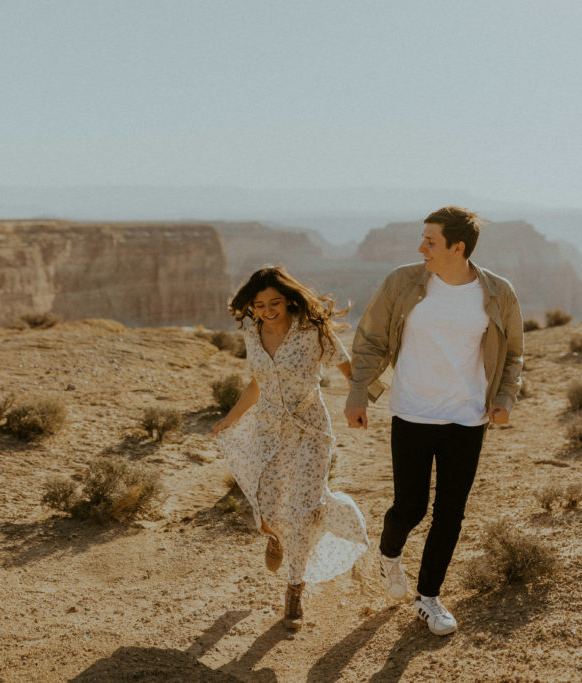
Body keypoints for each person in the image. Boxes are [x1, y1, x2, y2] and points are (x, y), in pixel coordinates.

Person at [344, 206, 523, 636]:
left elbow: (514, 353)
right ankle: (388, 554)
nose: (420, 247)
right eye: (422, 238)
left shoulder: (497, 293)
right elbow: (369, 339)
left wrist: (503, 397)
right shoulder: (403, 282)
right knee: (411, 507)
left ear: (457, 248)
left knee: (450, 513)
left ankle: (428, 598)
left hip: (467, 416)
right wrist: (357, 393)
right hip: (413, 411)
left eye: (430, 240)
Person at [212, 266, 369, 629]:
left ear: (288, 300)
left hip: (310, 430)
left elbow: (349, 370)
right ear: (251, 306)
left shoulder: (311, 330)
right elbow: (257, 383)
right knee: (265, 503)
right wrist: (231, 418)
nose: (268, 310)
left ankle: (294, 590)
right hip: (267, 430)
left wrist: (358, 403)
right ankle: (274, 536)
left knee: (304, 509)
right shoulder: (252, 332)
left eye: (275, 302)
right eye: (260, 304)